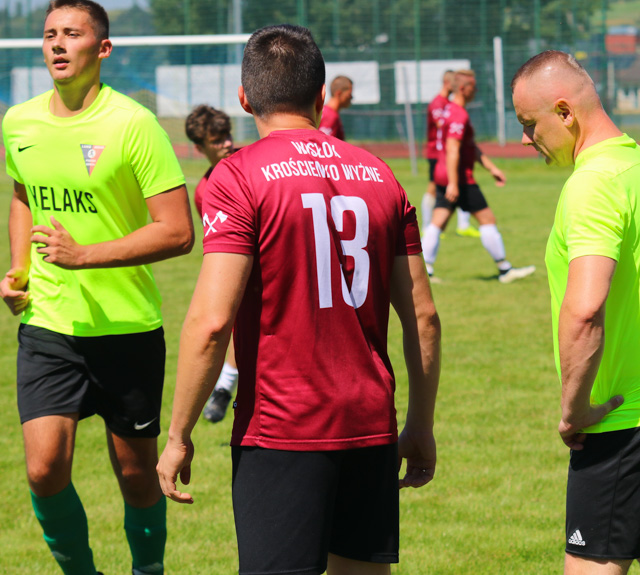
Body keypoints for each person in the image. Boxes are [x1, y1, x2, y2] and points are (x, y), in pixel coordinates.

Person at [156, 23, 441, 575]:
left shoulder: (235, 177)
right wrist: (421, 424)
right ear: (320, 92)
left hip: (282, 428)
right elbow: (423, 318)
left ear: (244, 98)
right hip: (371, 421)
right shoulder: (382, 175)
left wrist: (178, 435)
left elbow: (212, 322)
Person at [0, 1, 194, 574]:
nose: (58, 44)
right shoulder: (19, 121)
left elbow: (179, 232)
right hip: (50, 324)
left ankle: (147, 570)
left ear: (101, 49)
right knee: (42, 468)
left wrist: (86, 256)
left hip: (127, 326)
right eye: (49, 34)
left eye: (72, 34)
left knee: (136, 477)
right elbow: (22, 194)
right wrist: (19, 271)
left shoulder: (133, 124)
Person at [511, 50, 640, 575]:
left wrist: (574, 410)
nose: (527, 140)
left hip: (623, 422)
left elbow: (585, 309)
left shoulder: (592, 182)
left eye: (531, 125)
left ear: (565, 112)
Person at [421, 69, 535, 283]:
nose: (477, 90)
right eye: (474, 86)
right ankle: (504, 269)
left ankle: (425, 270)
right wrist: (454, 183)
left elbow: (469, 147)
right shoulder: (458, 114)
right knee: (487, 219)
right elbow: (453, 149)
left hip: (443, 174)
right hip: (459, 178)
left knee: (437, 222)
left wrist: (492, 168)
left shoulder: (449, 110)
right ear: (463, 88)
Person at [184, 104, 240, 423]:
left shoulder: (255, 160)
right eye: (217, 140)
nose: (227, 144)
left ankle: (224, 387)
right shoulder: (205, 192)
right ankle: (224, 388)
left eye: (228, 135)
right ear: (199, 147)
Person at [422, 69, 478, 237]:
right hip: (437, 154)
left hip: (446, 154)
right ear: (449, 83)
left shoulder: (448, 103)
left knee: (459, 182)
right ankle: (427, 225)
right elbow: (444, 127)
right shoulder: (438, 103)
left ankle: (463, 224)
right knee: (435, 188)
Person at [319, 75, 352, 140]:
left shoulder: (326, 112)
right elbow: (324, 144)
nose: (351, 97)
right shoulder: (330, 116)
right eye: (349, 94)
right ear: (338, 93)